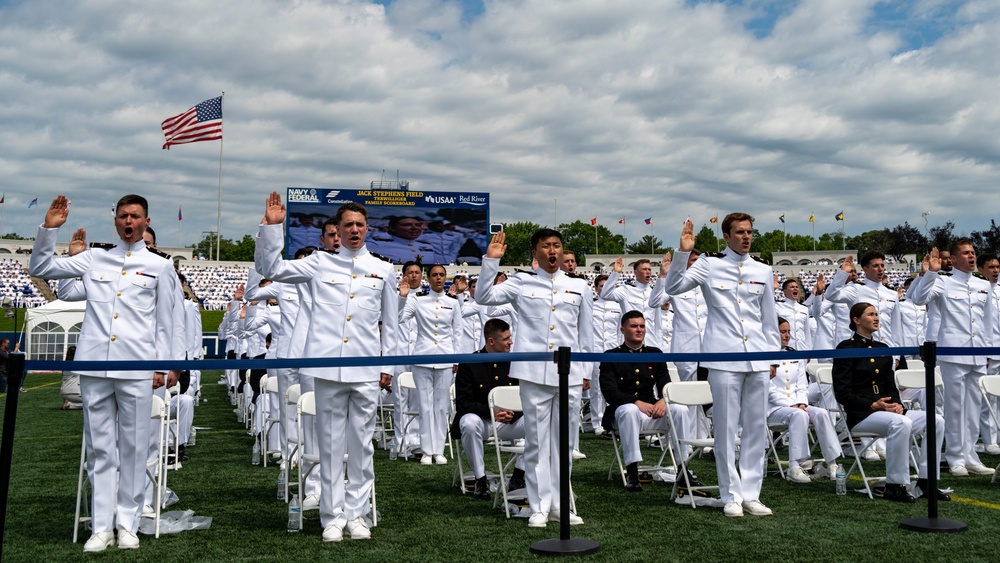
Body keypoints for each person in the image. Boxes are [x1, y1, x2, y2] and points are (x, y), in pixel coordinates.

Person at [29, 194, 183, 552]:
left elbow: (168, 322)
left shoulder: (160, 267)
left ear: (146, 221)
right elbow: (41, 268)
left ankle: (127, 524)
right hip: (95, 365)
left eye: (135, 216)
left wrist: (167, 365)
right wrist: (49, 230)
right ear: (114, 220)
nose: (129, 222)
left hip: (136, 367)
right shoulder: (94, 258)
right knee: (100, 449)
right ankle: (101, 526)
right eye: (123, 216)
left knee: (133, 447)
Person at [256, 193, 398, 543]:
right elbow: (271, 270)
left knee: (362, 447)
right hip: (328, 368)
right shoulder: (320, 263)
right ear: (337, 229)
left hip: (365, 368)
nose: (353, 230)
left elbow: (391, 325)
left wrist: (389, 366)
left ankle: (358, 515)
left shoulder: (384, 269)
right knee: (330, 447)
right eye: (347, 224)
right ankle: (333, 517)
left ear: (368, 229)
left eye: (359, 225)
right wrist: (273, 227)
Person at [475, 228, 593, 528]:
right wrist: (492, 261)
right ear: (536, 253)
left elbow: (586, 334)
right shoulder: (521, 282)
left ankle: (560, 505)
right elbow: (484, 296)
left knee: (564, 443)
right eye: (546, 247)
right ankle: (539, 505)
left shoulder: (579, 287)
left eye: (557, 246)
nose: (552, 252)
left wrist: (587, 372)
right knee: (537, 442)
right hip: (533, 373)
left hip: (568, 374)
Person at [663, 213, 779, 518]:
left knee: (755, 428)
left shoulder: (763, 270)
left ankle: (752, 494)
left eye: (750, 232)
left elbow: (768, 319)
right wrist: (683, 253)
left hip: (756, 357)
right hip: (723, 358)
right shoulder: (709, 264)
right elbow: (674, 288)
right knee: (726, 430)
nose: (746, 237)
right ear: (726, 236)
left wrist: (772, 357)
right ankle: (731, 494)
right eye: (740, 232)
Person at [832, 302, 948, 502]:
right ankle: (895, 485)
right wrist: (873, 404)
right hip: (862, 414)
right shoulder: (845, 348)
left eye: (877, 314)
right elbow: (842, 393)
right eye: (870, 315)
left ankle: (927, 481)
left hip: (887, 410)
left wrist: (897, 404)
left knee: (935, 420)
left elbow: (890, 385)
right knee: (901, 422)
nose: (876, 318)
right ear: (857, 320)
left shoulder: (882, 348)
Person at [907, 243, 997, 476]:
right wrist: (931, 273)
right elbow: (918, 299)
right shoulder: (942, 281)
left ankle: (970, 456)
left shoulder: (983, 284)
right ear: (954, 259)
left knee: (974, 407)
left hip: (976, 353)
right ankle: (955, 456)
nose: (971, 256)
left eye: (973, 253)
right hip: (953, 352)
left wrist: (986, 352)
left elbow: (986, 322)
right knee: (955, 407)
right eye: (966, 253)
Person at [598, 310, 683, 492]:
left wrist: (663, 400)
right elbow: (610, 393)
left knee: (679, 409)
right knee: (629, 409)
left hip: (651, 410)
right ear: (622, 330)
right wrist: (636, 402)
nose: (639, 330)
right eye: (634, 326)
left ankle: (683, 469)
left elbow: (665, 384)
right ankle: (632, 471)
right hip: (621, 414)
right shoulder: (611, 356)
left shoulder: (655, 353)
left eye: (642, 326)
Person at [452, 318, 525, 499]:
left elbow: (526, 397)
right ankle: (480, 479)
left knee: (540, 420)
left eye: (510, 337)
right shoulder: (470, 363)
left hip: (509, 422)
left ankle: (519, 474)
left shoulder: (515, 362)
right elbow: (463, 403)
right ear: (491, 341)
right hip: (483, 421)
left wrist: (513, 413)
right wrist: (491, 412)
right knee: (468, 422)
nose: (511, 342)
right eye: (506, 339)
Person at [399, 263, 462, 465]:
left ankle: (438, 449)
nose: (438, 278)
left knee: (441, 406)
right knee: (425, 406)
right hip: (423, 356)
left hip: (444, 357)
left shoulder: (452, 303)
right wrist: (402, 297)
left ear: (446, 278)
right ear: (428, 278)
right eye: (434, 275)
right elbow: (399, 318)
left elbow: (457, 333)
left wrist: (456, 358)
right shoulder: (417, 300)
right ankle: (427, 450)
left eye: (441, 275)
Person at [768, 318, 842, 483]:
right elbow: (767, 389)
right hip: (773, 409)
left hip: (796, 404)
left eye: (788, 332)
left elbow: (802, 384)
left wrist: (802, 402)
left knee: (821, 413)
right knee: (799, 415)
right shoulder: (764, 355)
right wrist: (792, 405)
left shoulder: (795, 354)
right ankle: (794, 467)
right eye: (782, 332)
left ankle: (832, 463)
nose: (787, 335)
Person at [367, 215, 441, 265]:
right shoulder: (376, 245)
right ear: (392, 228)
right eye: (407, 225)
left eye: (418, 225)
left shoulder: (427, 246)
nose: (415, 228)